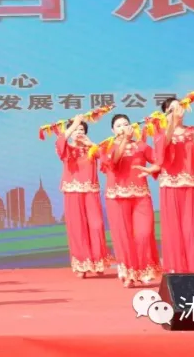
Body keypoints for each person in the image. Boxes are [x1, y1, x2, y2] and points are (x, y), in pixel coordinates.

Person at [145, 98, 194, 274]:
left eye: (179, 107)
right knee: (172, 229)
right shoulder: (160, 133)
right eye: (172, 109)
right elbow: (163, 146)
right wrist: (172, 124)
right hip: (170, 185)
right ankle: (175, 268)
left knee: (192, 229)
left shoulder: (193, 131)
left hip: (190, 185)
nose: (177, 111)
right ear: (166, 113)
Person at [101, 114, 161, 288]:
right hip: (117, 197)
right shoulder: (107, 146)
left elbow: (160, 161)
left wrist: (152, 169)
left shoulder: (141, 146)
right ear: (113, 130)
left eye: (125, 124)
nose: (122, 128)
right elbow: (113, 162)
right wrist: (123, 141)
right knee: (124, 237)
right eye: (118, 125)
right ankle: (128, 273)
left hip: (141, 196)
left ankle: (142, 270)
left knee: (143, 234)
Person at [55, 114, 109, 277]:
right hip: (72, 191)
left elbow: (106, 158)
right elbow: (59, 142)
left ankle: (98, 261)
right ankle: (82, 264)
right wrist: (73, 125)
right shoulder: (67, 149)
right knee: (77, 228)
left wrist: (90, 143)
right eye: (76, 129)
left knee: (96, 225)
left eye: (81, 129)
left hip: (90, 191)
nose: (79, 131)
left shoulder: (91, 148)